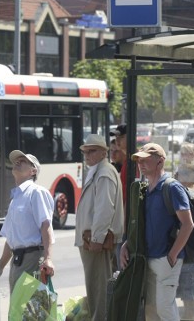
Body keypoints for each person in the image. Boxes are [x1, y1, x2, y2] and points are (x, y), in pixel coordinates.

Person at [120, 143, 194, 321]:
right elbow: (140, 225)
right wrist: (126, 244)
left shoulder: (172, 188)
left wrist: (172, 255)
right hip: (148, 258)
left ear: (160, 162)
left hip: (165, 260)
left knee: (165, 310)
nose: (141, 164)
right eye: (139, 160)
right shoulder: (145, 189)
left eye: (146, 160)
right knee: (151, 311)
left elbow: (188, 224)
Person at [74, 134, 124, 321]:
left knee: (99, 291)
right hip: (93, 241)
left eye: (92, 150)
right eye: (85, 151)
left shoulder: (103, 172)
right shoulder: (99, 170)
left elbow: (104, 208)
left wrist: (96, 238)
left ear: (104, 152)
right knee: (98, 290)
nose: (87, 154)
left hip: (96, 242)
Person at [0, 150, 55, 293]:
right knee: (18, 310)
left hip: (32, 259)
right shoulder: (16, 198)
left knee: (29, 311)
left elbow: (46, 225)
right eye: (16, 160)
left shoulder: (36, 192)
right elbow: (11, 239)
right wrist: (0, 266)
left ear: (33, 170)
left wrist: (48, 258)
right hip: (17, 262)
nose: (17, 162)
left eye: (23, 161)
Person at [174, 161, 194, 319]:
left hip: (180, 250)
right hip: (193, 251)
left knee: (170, 292)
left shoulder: (181, 193)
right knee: (189, 295)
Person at [110, 124, 128, 203]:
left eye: (121, 137)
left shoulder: (137, 160)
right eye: (116, 137)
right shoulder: (126, 163)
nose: (117, 140)